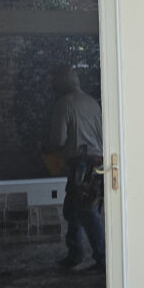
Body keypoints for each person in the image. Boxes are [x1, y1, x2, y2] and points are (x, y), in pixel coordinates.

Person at [48, 64, 106, 273]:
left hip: (81, 166)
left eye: (55, 81)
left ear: (62, 82)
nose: (52, 85)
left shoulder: (63, 104)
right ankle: (75, 254)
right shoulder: (92, 102)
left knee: (88, 213)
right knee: (74, 211)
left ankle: (103, 260)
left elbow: (58, 139)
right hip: (98, 163)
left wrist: (50, 149)